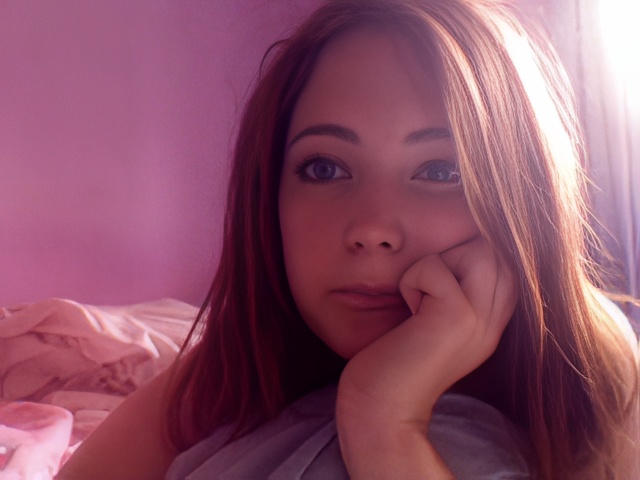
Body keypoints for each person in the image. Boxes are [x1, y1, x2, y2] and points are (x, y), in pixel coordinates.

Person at [58, 0, 639, 478]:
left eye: (441, 171)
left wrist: (385, 421)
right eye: (324, 169)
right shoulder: (244, 360)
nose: (372, 230)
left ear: (523, 196)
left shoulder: (598, 378)